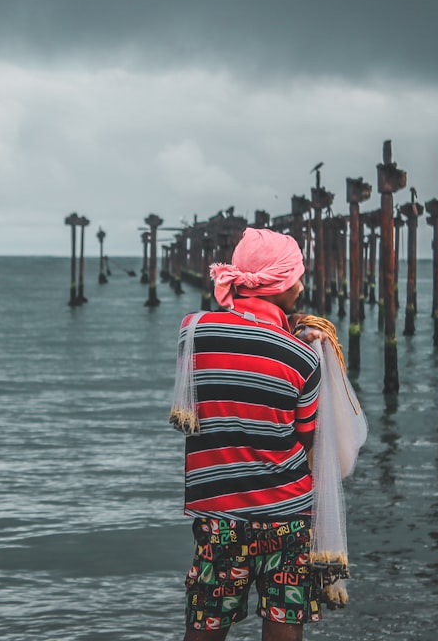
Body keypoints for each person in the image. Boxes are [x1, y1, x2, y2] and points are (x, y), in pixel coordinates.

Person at [173, 228, 322, 641]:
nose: (302, 286)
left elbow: (200, 399)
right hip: (288, 514)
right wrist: (291, 338)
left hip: (219, 514)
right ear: (279, 285)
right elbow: (305, 438)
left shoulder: (193, 331)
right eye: (296, 277)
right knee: (283, 628)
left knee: (205, 626)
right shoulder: (304, 356)